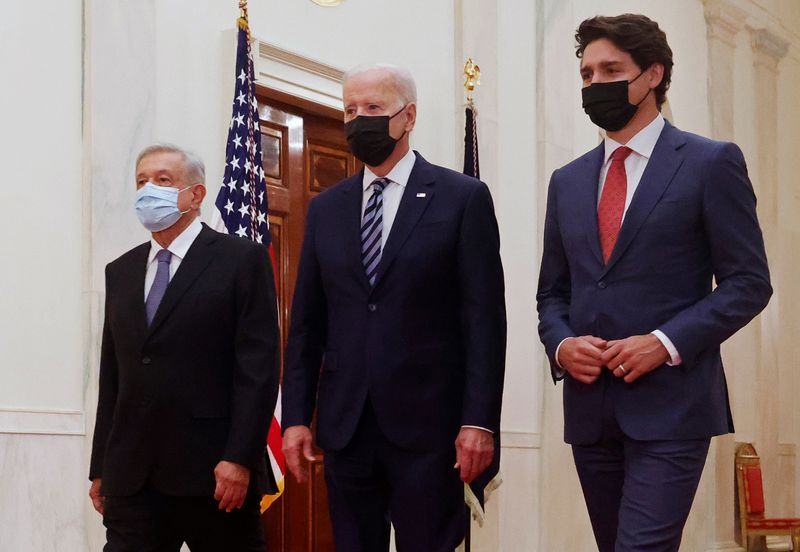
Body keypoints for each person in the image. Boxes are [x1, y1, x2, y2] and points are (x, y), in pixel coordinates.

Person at [537, 14, 772, 552]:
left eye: (610, 70)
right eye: (587, 73)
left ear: (652, 75)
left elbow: (748, 282)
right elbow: (552, 292)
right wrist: (562, 343)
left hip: (673, 406)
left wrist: (664, 343)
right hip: (591, 410)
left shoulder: (711, 163)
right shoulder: (567, 181)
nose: (594, 83)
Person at [280, 64, 506, 552]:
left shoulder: (461, 198)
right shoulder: (327, 209)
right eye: (349, 110)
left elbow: (484, 322)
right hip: (347, 428)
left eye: (373, 108)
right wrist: (296, 417)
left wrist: (479, 422)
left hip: (432, 430)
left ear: (409, 116)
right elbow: (307, 325)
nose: (358, 119)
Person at [88, 143, 280, 551]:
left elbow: (257, 370)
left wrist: (240, 457)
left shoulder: (241, 260)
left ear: (196, 195)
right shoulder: (120, 270)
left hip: (214, 475)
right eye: (141, 181)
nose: (147, 190)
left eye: (162, 180)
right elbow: (114, 374)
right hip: (133, 477)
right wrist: (102, 467)